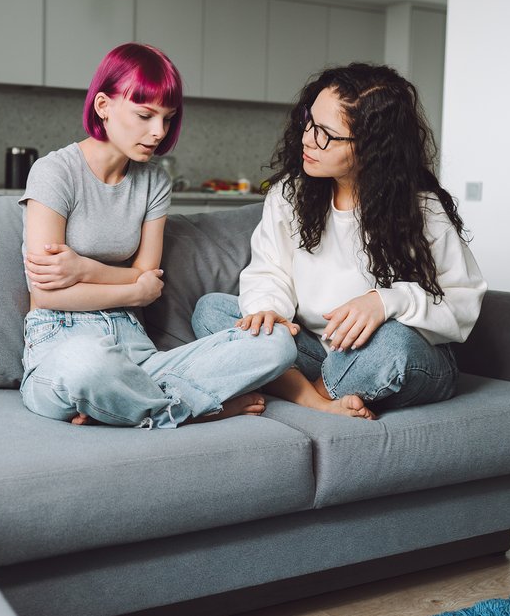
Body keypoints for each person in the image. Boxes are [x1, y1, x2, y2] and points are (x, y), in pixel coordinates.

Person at [17, 43, 296, 429]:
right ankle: (193, 407)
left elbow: (150, 274)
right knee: (87, 364)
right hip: (61, 344)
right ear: (103, 106)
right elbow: (48, 292)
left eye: (167, 118)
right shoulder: (54, 172)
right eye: (145, 115)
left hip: (137, 350)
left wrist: (82, 267)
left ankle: (122, 405)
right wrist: (134, 290)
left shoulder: (153, 182)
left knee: (277, 344)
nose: (158, 132)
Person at [192, 63, 487, 420]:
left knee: (393, 344)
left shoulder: (423, 210)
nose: (306, 138)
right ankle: (317, 397)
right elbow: (269, 270)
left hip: (398, 355)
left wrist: (386, 302)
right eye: (308, 121)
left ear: (371, 148)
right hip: (316, 351)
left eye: (325, 134)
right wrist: (268, 311)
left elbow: (463, 302)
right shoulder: (290, 194)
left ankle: (291, 386)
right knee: (212, 310)